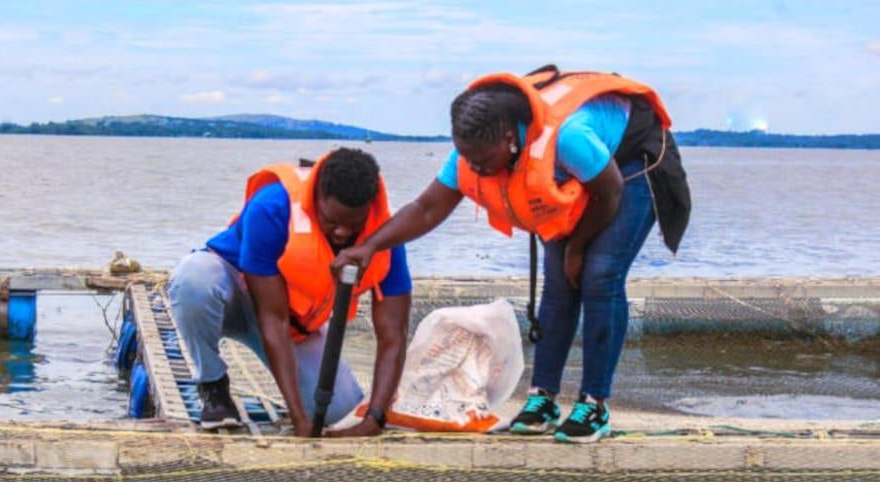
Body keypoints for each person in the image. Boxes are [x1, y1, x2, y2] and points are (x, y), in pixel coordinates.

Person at [333, 65, 690, 443]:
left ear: (509, 139)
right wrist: (369, 246)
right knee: (559, 282)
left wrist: (578, 248)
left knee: (599, 274)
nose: (475, 169)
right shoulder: (473, 151)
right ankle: (543, 399)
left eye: (483, 162)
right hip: (582, 175)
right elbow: (425, 209)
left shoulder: (567, 138)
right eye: (468, 159)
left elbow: (610, 192)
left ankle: (594, 404)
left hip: (631, 165)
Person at [169, 148, 412, 437]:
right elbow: (273, 320)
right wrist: (298, 417)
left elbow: (393, 336)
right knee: (194, 278)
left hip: (293, 321)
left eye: (353, 224)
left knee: (341, 411)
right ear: (316, 196)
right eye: (332, 221)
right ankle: (212, 385)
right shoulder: (273, 206)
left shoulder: (385, 233)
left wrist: (375, 417)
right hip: (234, 296)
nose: (342, 233)